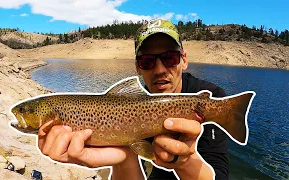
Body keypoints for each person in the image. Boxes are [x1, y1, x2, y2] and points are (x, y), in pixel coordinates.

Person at [37, 19, 229, 180]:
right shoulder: (127, 107)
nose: (160, 69)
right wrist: (124, 158)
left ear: (184, 60)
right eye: (147, 61)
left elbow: (220, 174)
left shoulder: (209, 97)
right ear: (138, 68)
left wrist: (186, 164)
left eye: (170, 58)